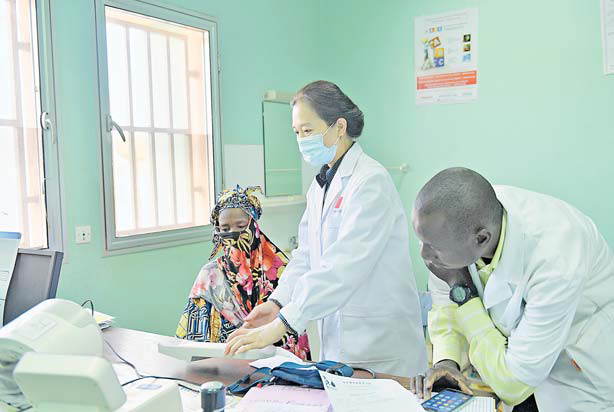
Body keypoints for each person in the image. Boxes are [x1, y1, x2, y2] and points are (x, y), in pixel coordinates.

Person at [224, 80, 427, 377]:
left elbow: (343, 267)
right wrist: (278, 302)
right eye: (296, 132)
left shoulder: (370, 181)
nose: (301, 140)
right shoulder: (320, 185)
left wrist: (283, 324)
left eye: (308, 130)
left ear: (339, 127)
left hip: (379, 343)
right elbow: (306, 256)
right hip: (341, 342)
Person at [409, 167, 614, 411]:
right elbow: (447, 303)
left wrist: (463, 292)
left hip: (577, 369)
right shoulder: (455, 225)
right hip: (511, 362)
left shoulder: (556, 259)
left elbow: (513, 385)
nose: (424, 254)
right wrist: (447, 362)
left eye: (433, 247)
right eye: (422, 241)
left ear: (481, 239)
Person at [176, 185, 310, 360]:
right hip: (226, 362)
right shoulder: (209, 276)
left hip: (275, 364)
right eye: (225, 229)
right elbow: (195, 340)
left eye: (240, 226)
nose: (232, 234)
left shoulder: (284, 271)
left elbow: (294, 330)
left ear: (254, 225)